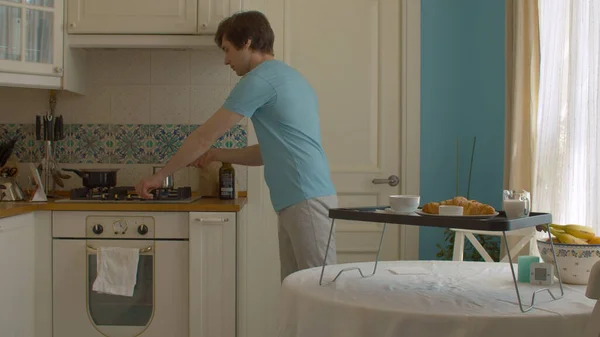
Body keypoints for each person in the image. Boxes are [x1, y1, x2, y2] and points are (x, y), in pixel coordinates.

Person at [134, 10, 337, 282]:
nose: (226, 60)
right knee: (299, 292)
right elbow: (267, 152)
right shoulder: (286, 76)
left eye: (228, 50)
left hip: (305, 199)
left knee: (318, 293)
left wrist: (159, 176)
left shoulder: (259, 80)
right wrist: (217, 154)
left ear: (248, 42)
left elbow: (203, 137)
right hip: (302, 198)